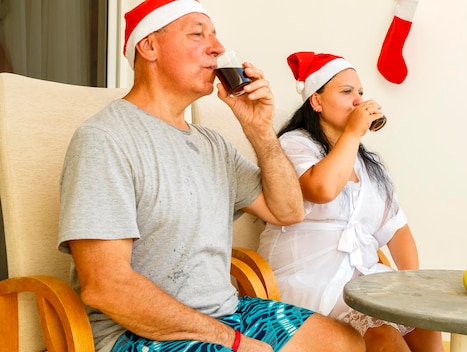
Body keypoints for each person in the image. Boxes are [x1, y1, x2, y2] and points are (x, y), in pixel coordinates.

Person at [57, 1, 365, 352]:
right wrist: (234, 342)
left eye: (215, 34)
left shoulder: (212, 145)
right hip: (138, 333)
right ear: (149, 46)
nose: (217, 47)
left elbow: (288, 212)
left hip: (226, 313)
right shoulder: (105, 139)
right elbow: (106, 287)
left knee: (344, 342)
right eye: (197, 34)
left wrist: (260, 130)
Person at [257, 51, 444, 352]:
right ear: (316, 101)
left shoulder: (369, 165)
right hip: (309, 278)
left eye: (360, 92)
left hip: (364, 279)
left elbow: (397, 231)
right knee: (383, 334)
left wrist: (414, 286)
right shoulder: (293, 144)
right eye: (346, 92)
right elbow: (322, 189)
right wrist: (355, 132)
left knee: (428, 322)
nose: (358, 100)